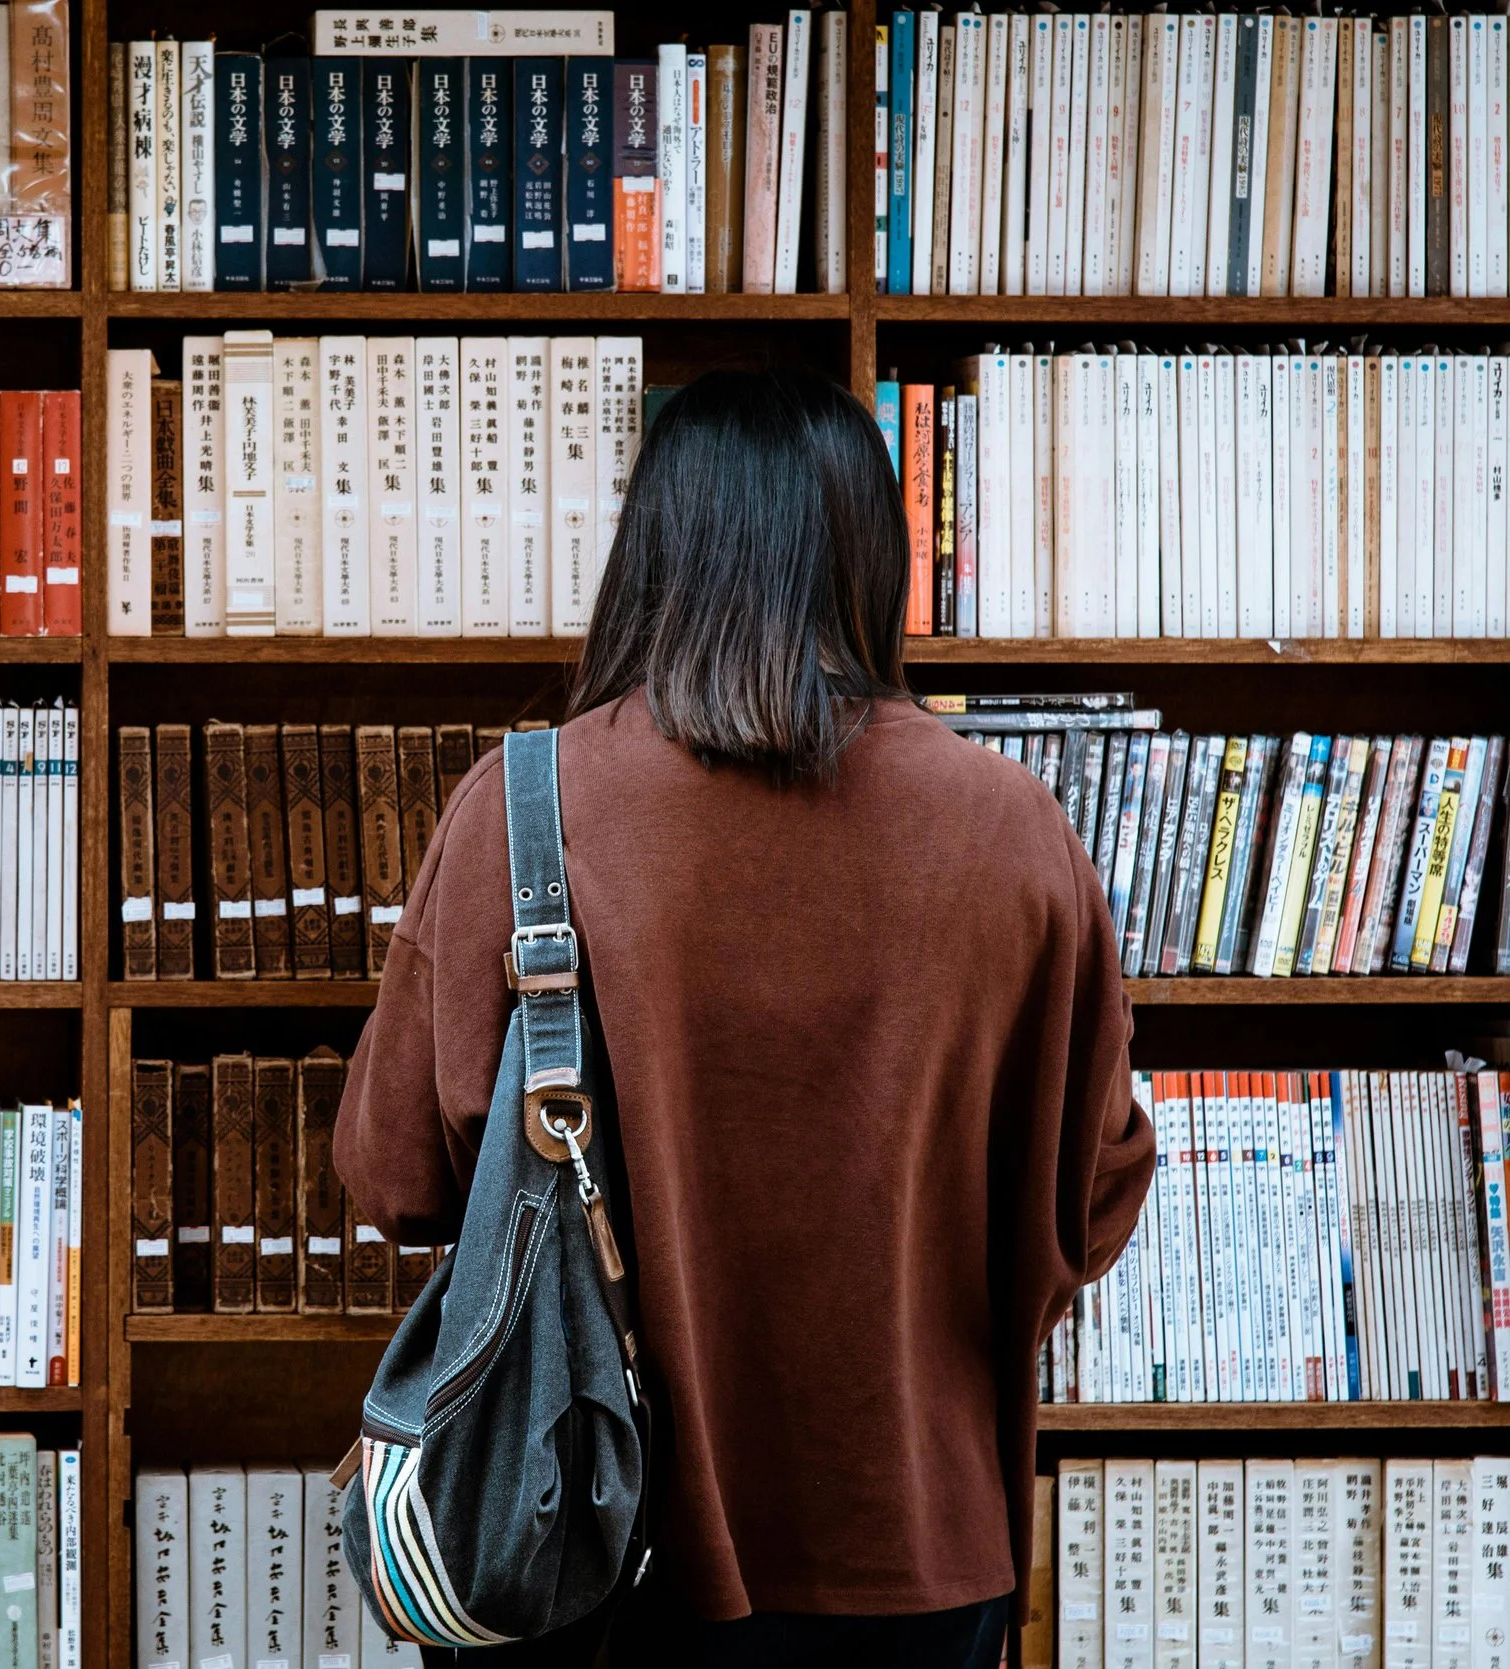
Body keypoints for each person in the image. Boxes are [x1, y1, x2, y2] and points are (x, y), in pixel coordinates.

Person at [332, 369, 1155, 1668]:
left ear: (651, 549)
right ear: (873, 563)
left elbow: (396, 1181)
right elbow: (1095, 1198)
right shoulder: (1013, 833)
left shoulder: (523, 807)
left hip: (587, 1537)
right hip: (922, 1546)